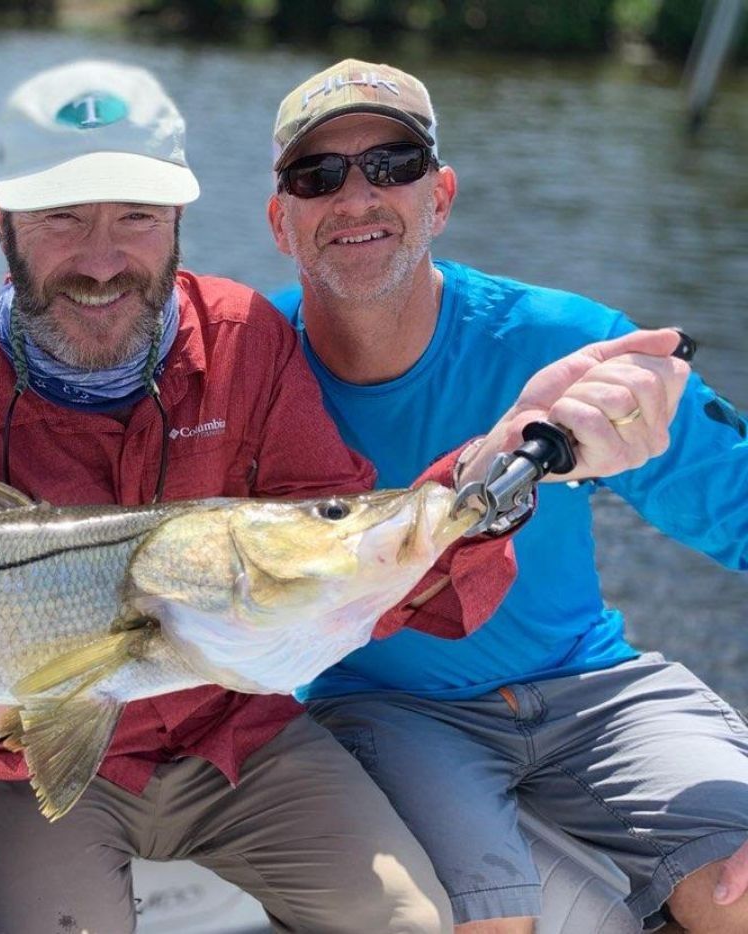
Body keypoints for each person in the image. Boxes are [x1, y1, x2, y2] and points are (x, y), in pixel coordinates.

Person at [0, 60, 687, 934]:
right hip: (40, 767)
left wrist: (490, 471)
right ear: (1, 220)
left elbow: (338, 541)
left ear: (179, 218)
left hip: (240, 735)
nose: (101, 258)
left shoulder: (245, 340)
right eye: (62, 217)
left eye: (138, 217)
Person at [265, 59, 748, 933]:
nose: (357, 196)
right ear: (280, 220)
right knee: (485, 921)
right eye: (318, 174)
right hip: (386, 707)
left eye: (393, 166)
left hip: (594, 688)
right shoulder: (242, 372)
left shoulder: (568, 343)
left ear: (440, 197)